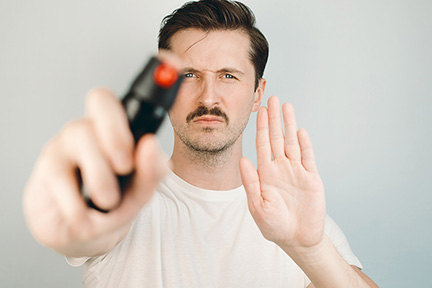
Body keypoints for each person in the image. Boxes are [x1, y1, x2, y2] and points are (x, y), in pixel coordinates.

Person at [23, 0, 379, 287]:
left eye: (228, 76)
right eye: (189, 75)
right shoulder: (123, 199)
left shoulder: (296, 219)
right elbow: (87, 232)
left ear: (257, 94)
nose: (209, 97)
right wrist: (73, 212)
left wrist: (311, 250)